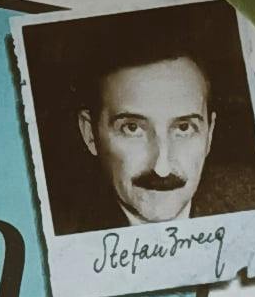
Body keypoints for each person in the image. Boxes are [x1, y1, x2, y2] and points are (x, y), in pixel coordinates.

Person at [76, 45, 217, 226]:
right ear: (90, 134)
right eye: (132, 128)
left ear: (210, 134)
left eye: (183, 128)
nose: (161, 169)